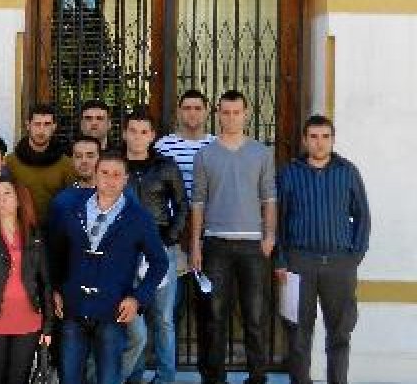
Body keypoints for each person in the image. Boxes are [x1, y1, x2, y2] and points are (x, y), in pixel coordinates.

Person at [50, 155, 168, 384]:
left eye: (117, 175)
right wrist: (55, 289)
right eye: (104, 173)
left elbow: (160, 262)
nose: (110, 180)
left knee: (109, 378)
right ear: (94, 176)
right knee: (70, 377)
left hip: (112, 311)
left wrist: (137, 299)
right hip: (73, 308)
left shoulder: (138, 217)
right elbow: (55, 253)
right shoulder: (71, 209)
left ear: (126, 179)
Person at [189, 90, 277, 384]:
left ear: (246, 113)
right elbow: (198, 202)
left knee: (255, 315)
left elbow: (269, 198)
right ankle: (215, 378)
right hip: (215, 245)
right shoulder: (205, 154)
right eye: (225, 112)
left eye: (236, 112)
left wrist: (269, 237)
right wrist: (196, 245)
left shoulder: (261, 153)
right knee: (214, 317)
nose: (231, 117)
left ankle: (257, 377)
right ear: (217, 114)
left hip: (253, 245)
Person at [275, 115, 371, 384]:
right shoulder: (289, 172)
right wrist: (280, 259)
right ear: (305, 140)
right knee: (297, 334)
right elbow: (278, 219)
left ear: (332, 139)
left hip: (340, 264)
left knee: (340, 333)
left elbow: (362, 215)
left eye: (325, 137)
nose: (319, 143)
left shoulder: (347, 171)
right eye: (314, 137)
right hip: (298, 262)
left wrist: (355, 256)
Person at [121, 110, 187, 384]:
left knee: (163, 319)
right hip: (125, 253)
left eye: (144, 132)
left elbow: (182, 204)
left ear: (152, 136)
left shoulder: (166, 166)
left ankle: (165, 378)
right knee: (131, 319)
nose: (138, 137)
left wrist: (170, 237)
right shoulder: (115, 164)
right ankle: (134, 377)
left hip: (160, 251)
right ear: (124, 133)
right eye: (133, 131)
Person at [0, 177, 52, 384]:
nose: (0, 199)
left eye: (7, 193)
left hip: (28, 321)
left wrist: (48, 326)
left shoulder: (35, 235)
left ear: (19, 199)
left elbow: (45, 282)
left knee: (18, 378)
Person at [7, 103, 74, 222]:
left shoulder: (67, 164)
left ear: (54, 126)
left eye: (47, 124)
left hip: (56, 229)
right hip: (22, 229)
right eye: (37, 124)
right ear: (28, 125)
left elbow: (72, 201)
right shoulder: (10, 162)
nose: (41, 130)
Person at [154, 89, 215, 200]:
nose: (192, 113)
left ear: (206, 112)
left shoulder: (217, 145)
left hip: (211, 214)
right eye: (187, 108)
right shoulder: (163, 146)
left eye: (198, 109)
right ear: (178, 112)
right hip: (175, 215)